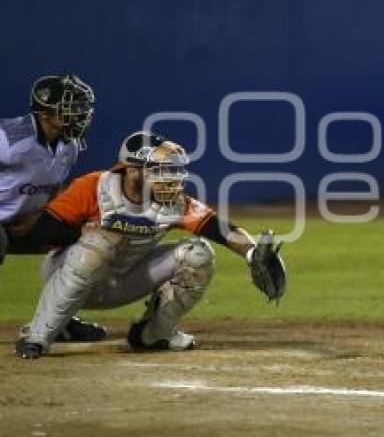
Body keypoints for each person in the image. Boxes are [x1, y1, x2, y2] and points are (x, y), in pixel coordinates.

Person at [15, 131, 286, 359]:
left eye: (172, 171)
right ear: (132, 170)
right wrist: (84, 231)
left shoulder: (172, 202)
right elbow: (43, 232)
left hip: (125, 281)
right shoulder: (93, 187)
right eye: (160, 171)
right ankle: (38, 334)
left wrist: (251, 252)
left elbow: (217, 227)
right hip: (71, 273)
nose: (171, 179)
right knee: (100, 242)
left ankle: (153, 334)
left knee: (198, 254)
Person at [0, 73, 104, 341]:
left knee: (89, 241)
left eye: (82, 107)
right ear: (45, 112)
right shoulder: (9, 138)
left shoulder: (69, 145)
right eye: (71, 107)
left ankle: (58, 320)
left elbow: (56, 189)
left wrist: (44, 216)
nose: (80, 114)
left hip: (25, 224)